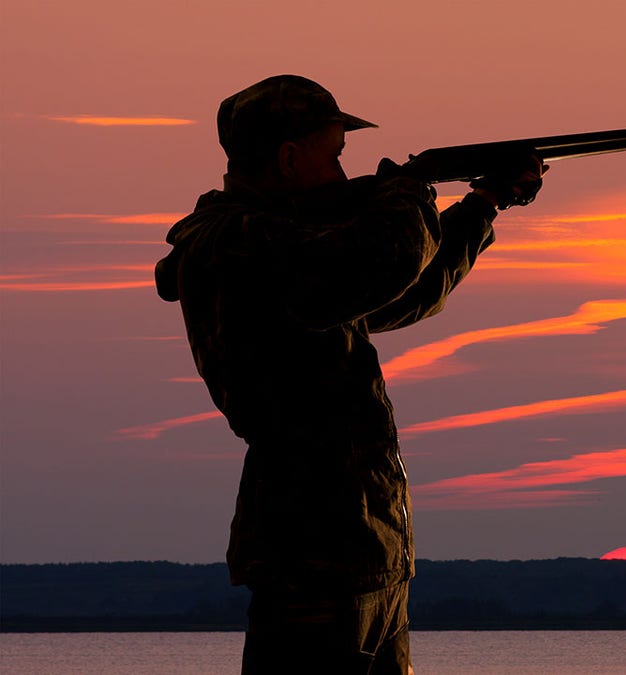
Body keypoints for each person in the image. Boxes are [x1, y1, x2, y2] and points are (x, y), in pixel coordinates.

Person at [154, 74, 544, 674]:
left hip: (365, 554)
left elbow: (401, 292)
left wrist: (483, 204)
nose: (343, 174)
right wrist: (408, 191)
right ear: (288, 158)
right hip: (314, 559)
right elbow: (379, 262)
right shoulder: (237, 244)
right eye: (335, 156)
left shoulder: (295, 246)